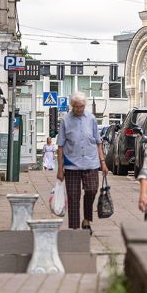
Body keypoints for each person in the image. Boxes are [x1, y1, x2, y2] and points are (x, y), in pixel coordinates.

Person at [55, 92, 107, 230]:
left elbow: (98, 142)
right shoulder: (65, 120)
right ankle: (74, 229)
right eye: (76, 107)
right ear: (72, 106)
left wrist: (103, 162)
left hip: (91, 163)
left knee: (91, 190)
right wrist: (60, 169)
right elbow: (60, 146)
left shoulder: (91, 119)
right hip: (71, 165)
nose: (79, 109)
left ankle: (87, 219)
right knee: (73, 197)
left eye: (81, 106)